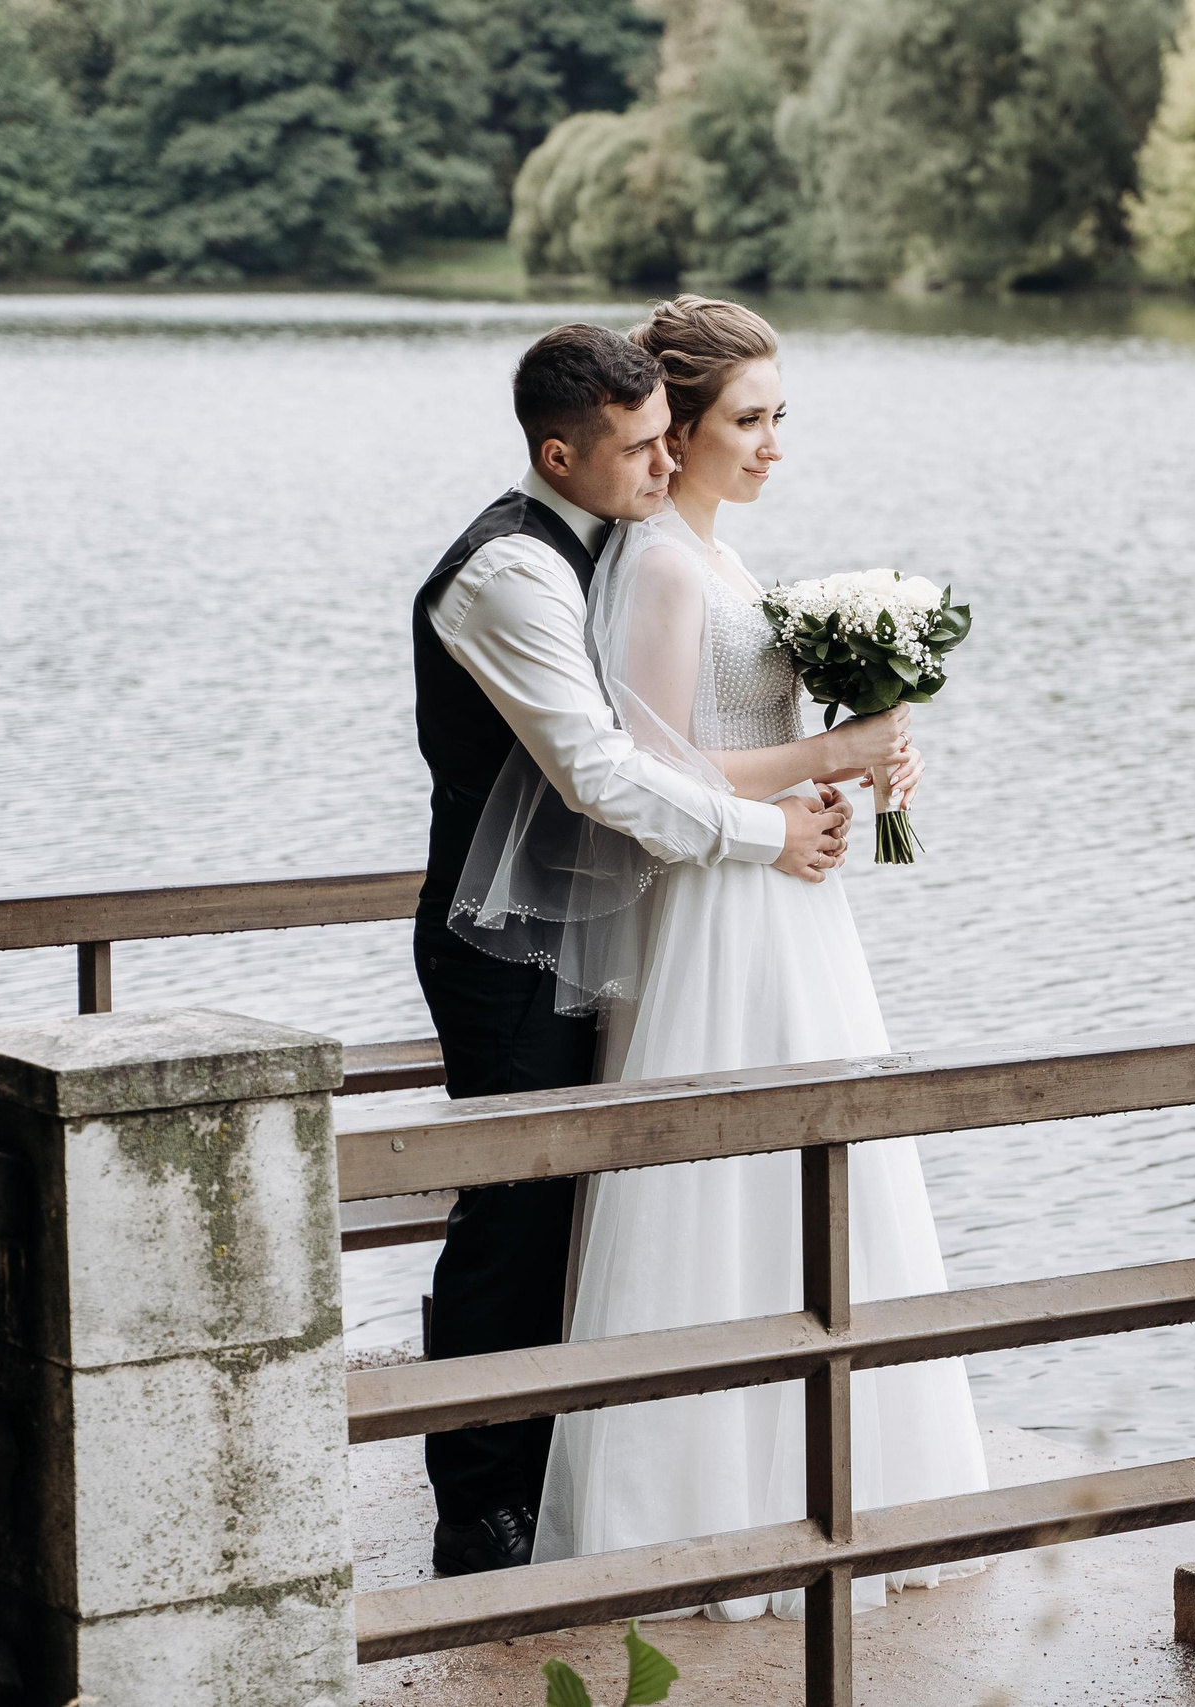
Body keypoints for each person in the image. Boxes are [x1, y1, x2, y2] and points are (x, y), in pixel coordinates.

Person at [454, 295, 990, 1619]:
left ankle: (844, 1483)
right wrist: (826, 759)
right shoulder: (658, 567)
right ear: (676, 432)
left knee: (823, 1172)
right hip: (712, 915)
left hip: (783, 901)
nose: (772, 444)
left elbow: (737, 736)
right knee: (723, 1185)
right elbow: (646, 767)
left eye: (780, 418)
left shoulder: (724, 558)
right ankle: (699, 1505)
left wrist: (871, 753)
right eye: (749, 421)